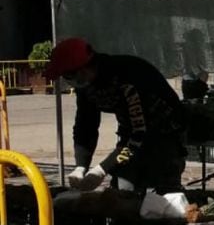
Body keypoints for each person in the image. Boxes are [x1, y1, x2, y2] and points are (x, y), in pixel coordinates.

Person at [44, 37, 187, 195]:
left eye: (66, 76)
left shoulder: (127, 77)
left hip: (164, 133)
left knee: (163, 199)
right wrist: (81, 165)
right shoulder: (86, 86)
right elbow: (86, 125)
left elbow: (138, 136)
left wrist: (101, 169)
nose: (67, 82)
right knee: (122, 191)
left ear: (82, 70)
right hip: (132, 132)